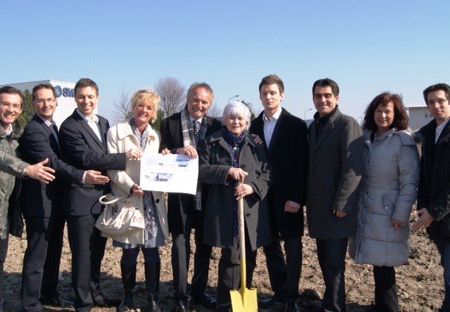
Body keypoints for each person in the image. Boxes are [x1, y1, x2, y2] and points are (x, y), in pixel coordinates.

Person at [19, 83, 110, 312]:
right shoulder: (34, 130)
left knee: (53, 252)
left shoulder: (52, 126)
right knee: (37, 255)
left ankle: (48, 294)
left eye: (50, 100)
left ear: (56, 101)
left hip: (56, 200)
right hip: (40, 202)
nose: (46, 104)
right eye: (40, 100)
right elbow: (55, 163)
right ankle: (30, 304)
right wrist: (81, 176)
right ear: (34, 103)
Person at [59, 78, 139, 312]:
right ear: (75, 98)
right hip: (81, 201)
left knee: (97, 253)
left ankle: (95, 293)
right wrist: (125, 157)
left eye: (90, 97)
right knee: (83, 254)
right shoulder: (69, 127)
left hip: (103, 200)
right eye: (82, 97)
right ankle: (82, 303)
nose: (86, 101)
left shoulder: (104, 123)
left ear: (98, 97)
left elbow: (108, 151)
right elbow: (87, 159)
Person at [349, 92, 419, 312]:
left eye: (388, 111)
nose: (383, 115)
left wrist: (401, 213)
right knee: (378, 263)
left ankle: (389, 308)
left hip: (388, 212)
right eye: (379, 110)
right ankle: (382, 305)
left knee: (385, 264)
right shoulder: (367, 138)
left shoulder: (402, 142)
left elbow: (410, 182)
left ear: (396, 114)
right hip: (369, 209)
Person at [198, 101, 271, 312]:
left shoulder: (255, 143)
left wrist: (253, 188)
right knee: (230, 258)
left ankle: (244, 295)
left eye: (240, 118)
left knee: (249, 256)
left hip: (250, 210)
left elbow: (267, 173)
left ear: (247, 122)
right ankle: (225, 302)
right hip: (224, 210)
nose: (236, 121)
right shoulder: (212, 142)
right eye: (232, 117)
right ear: (225, 120)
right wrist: (226, 171)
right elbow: (202, 170)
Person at [159, 82, 222, 312]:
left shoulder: (217, 126)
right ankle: (180, 294)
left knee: (204, 245)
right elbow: (162, 151)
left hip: (206, 194)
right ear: (187, 99)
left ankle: (199, 290)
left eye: (205, 101)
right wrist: (176, 151)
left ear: (210, 103)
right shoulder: (170, 123)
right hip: (180, 195)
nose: (199, 105)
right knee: (180, 244)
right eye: (195, 100)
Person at [106, 89, 169, 312]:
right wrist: (130, 186)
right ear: (133, 107)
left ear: (153, 113)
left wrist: (164, 161)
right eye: (140, 105)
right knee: (130, 252)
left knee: (152, 253)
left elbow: (155, 167)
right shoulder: (116, 132)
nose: (144, 110)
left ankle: (153, 297)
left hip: (151, 202)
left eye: (149, 108)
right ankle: (128, 296)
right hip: (128, 198)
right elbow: (112, 167)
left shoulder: (155, 136)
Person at [249, 74, 308, 312]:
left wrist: (297, 197)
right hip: (263, 198)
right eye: (264, 93)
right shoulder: (253, 125)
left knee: (293, 248)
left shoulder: (296, 125)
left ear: (282, 95)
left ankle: (292, 297)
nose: (268, 97)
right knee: (271, 246)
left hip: (289, 198)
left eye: (273, 92)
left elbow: (302, 165)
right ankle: (279, 292)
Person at [307, 78, 363, 312]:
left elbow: (354, 167)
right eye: (318, 96)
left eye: (327, 95)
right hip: (319, 208)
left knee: (334, 264)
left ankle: (335, 307)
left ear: (337, 98)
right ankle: (329, 302)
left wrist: (342, 203)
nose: (323, 100)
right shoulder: (313, 126)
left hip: (337, 209)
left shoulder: (346, 125)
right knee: (325, 261)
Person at [0, 86, 56, 312]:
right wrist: (27, 170)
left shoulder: (16, 134)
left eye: (15, 105)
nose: (10, 109)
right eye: (5, 104)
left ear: (21, 108)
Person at [412, 83, 450, 312]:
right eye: (431, 102)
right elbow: (424, 177)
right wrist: (425, 209)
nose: (436, 106)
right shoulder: (427, 134)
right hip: (438, 220)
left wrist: (434, 211)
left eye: (441, 101)